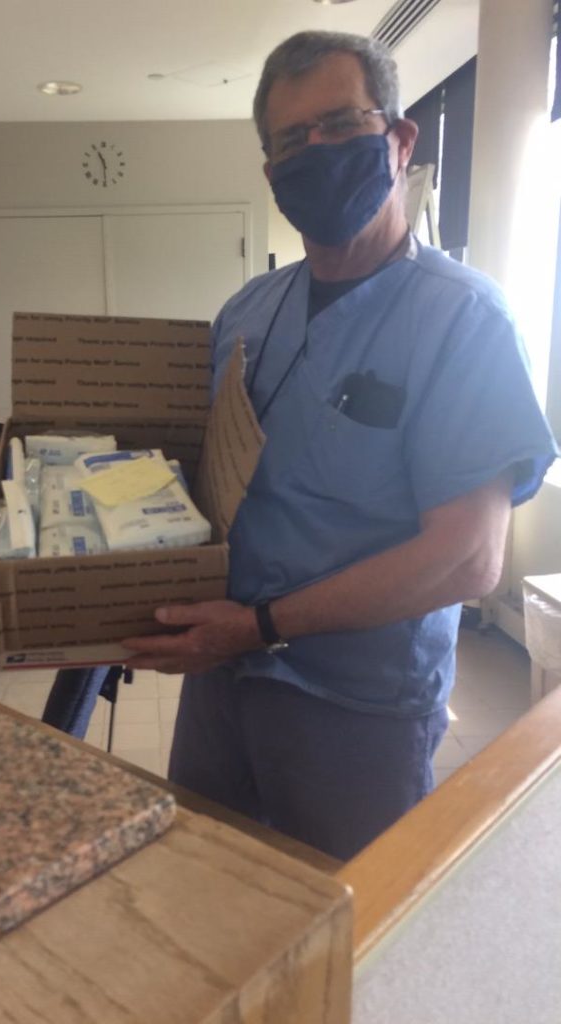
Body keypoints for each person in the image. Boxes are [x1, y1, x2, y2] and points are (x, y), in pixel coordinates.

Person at [122, 30, 558, 860]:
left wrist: (259, 627)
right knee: (208, 887)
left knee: (350, 916)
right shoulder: (248, 313)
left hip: (357, 706)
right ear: (271, 173)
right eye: (292, 139)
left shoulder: (463, 320)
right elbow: (199, 481)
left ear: (399, 140)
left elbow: (467, 559)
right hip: (222, 678)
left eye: (341, 124)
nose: (316, 150)